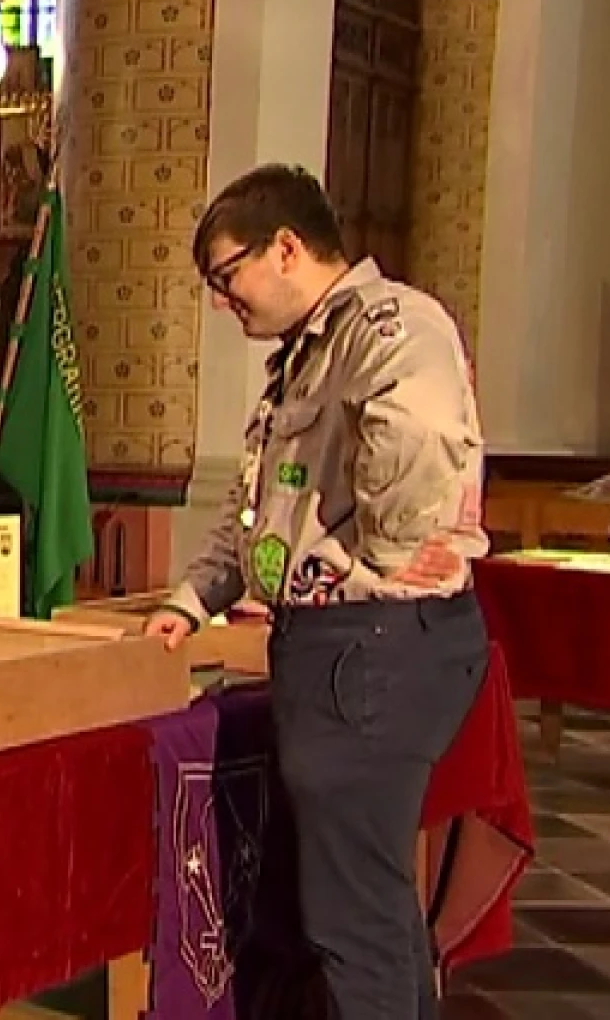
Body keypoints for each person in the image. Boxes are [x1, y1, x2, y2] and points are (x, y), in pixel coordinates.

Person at [144, 165, 489, 1019]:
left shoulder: (392, 324)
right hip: (344, 648)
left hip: (372, 645)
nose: (226, 304)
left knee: (350, 919)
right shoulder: (305, 353)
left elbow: (417, 441)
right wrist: (195, 597)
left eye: (228, 279)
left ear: (287, 247)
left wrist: (382, 546)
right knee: (374, 901)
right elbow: (262, 506)